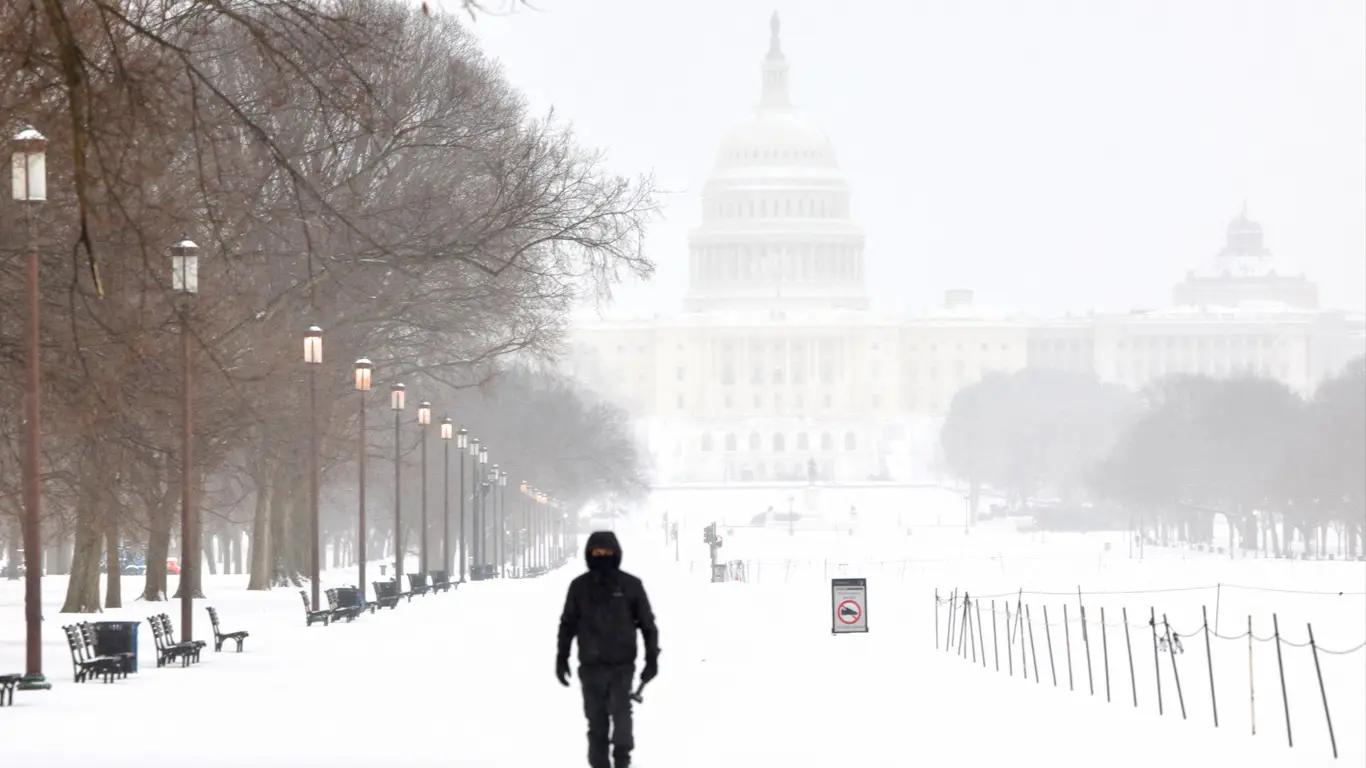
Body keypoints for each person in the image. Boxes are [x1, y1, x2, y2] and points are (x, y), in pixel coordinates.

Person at [557, 530, 659, 768]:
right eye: (597, 552)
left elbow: (647, 625)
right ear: (589, 554)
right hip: (590, 667)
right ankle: (599, 763)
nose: (601, 556)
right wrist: (561, 657)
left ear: (616, 554)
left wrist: (652, 658)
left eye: (606, 552)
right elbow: (567, 624)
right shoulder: (579, 587)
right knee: (596, 722)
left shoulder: (630, 586)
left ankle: (622, 759)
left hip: (621, 666)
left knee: (622, 716)